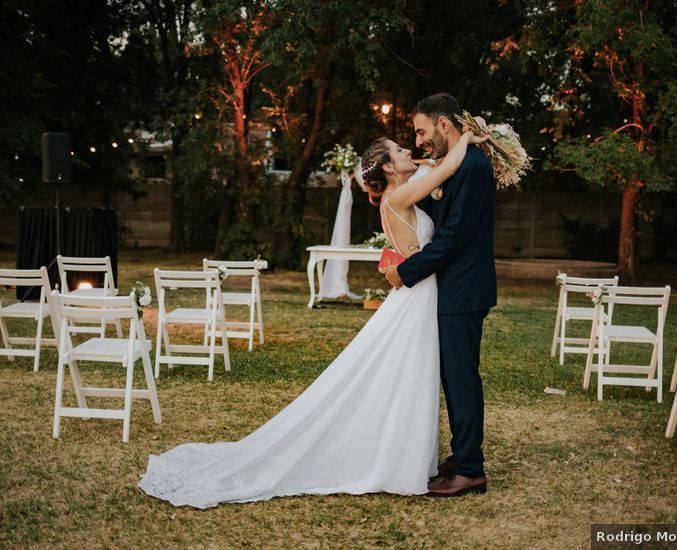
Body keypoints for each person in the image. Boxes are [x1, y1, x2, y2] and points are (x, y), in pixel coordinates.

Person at [138, 128, 486, 509]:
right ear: (387, 166)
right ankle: (393, 457)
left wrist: (445, 154)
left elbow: (434, 167)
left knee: (407, 373)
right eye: (401, 150)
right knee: (406, 373)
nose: (410, 150)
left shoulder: (398, 191)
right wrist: (467, 136)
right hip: (418, 294)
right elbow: (448, 165)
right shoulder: (400, 194)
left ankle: (402, 452)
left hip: (417, 292)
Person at [384, 92, 497, 497]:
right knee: (452, 377)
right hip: (454, 289)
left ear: (444, 125)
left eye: (421, 131)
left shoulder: (473, 165)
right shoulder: (459, 163)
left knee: (461, 379)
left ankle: (470, 469)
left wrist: (406, 271)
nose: (418, 141)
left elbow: (453, 237)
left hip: (464, 289)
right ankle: (460, 455)